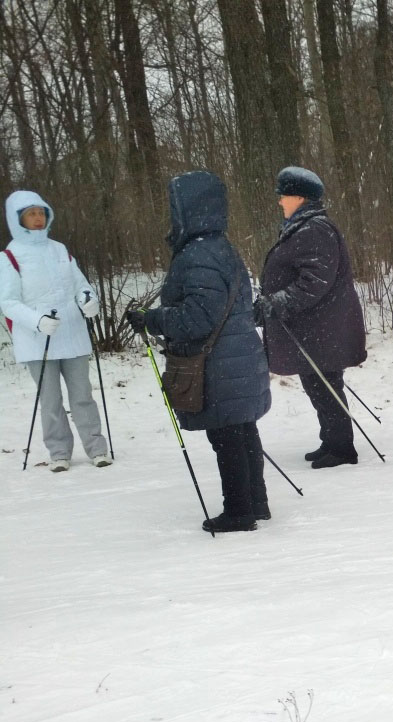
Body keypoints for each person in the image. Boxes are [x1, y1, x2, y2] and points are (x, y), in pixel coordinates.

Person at [127, 171, 271, 533]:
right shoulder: (221, 247)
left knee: (227, 436)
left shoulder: (196, 254)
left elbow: (198, 317)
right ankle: (256, 503)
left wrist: (151, 319)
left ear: (186, 209)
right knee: (241, 430)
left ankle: (239, 512)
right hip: (238, 357)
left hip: (218, 363)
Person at [255, 166, 367, 469]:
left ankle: (342, 449)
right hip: (313, 328)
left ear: (300, 198)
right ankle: (331, 441)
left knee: (325, 386)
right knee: (318, 385)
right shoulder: (303, 227)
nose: (280, 201)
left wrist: (275, 303)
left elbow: (314, 281)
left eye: (284, 195)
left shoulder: (314, 229)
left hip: (322, 328)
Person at [0, 189, 110, 471]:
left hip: (72, 334)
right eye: (31, 214)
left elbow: (80, 285)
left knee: (83, 396)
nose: (38, 218)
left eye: (41, 212)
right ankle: (59, 452)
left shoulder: (59, 249)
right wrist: (36, 320)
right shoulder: (10, 256)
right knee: (50, 400)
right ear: (18, 219)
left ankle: (97, 448)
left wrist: (88, 300)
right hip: (38, 340)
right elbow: (8, 302)